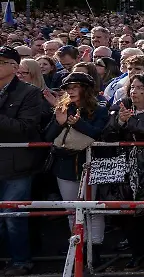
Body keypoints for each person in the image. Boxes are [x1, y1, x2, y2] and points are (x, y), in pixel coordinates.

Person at [102, 73, 144, 270]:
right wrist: (120, 122)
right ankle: (137, 253)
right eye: (133, 87)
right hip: (126, 165)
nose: (135, 91)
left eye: (140, 88)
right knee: (128, 211)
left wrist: (132, 122)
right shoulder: (121, 106)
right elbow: (106, 135)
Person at [44, 72, 109, 253]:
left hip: (91, 165)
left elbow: (99, 134)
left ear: (85, 89)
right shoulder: (62, 108)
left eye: (75, 87)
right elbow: (48, 137)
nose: (70, 91)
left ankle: (94, 248)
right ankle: (78, 247)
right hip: (65, 166)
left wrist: (78, 123)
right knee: (72, 209)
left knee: (93, 209)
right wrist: (59, 122)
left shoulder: (100, 109)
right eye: (68, 88)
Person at [0, 46, 45, 276]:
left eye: (1, 61)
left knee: (13, 216)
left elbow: (26, 128)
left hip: (16, 166)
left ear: (14, 67)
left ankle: (20, 261)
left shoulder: (28, 93)